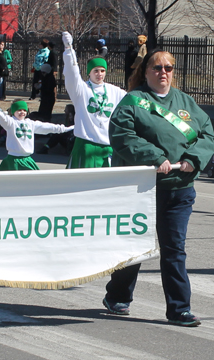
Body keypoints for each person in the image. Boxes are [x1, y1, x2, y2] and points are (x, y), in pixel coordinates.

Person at [103, 49, 214, 327]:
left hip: (179, 189)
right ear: (146, 71)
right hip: (142, 189)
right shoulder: (134, 101)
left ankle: (179, 309)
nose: (163, 72)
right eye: (157, 67)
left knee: (174, 250)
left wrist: (193, 158)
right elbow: (121, 134)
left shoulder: (186, 102)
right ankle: (117, 295)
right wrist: (155, 157)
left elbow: (207, 133)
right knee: (136, 247)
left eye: (168, 67)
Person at [61, 31, 126, 169]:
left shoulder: (114, 91)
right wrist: (68, 50)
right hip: (86, 145)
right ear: (89, 72)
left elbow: (133, 101)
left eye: (102, 71)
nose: (99, 74)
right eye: (95, 71)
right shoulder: (81, 89)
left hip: (107, 146)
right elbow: (72, 74)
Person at [0, 99, 73, 170]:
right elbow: (2, 118)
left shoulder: (30, 123)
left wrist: (64, 128)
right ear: (13, 111)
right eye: (19, 110)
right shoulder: (11, 123)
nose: (22, 112)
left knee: (35, 182)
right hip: (13, 159)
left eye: (24, 110)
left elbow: (46, 127)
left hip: (27, 159)